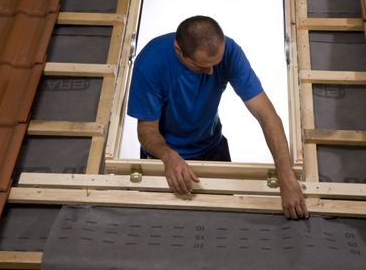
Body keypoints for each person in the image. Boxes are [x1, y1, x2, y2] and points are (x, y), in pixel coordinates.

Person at [127, 15, 308, 220]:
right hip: (163, 156)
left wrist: (286, 177)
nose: (212, 72)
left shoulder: (230, 52)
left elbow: (267, 115)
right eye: (203, 66)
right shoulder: (150, 63)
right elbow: (146, 131)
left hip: (212, 148)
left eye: (216, 63)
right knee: (163, 227)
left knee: (223, 223)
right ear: (179, 50)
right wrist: (169, 157)